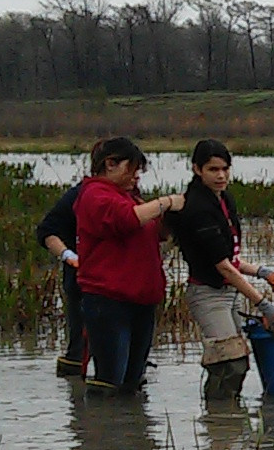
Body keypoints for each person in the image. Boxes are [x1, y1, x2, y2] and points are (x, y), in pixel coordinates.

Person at [164, 139, 274, 400]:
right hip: (208, 294)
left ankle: (227, 423)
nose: (221, 175)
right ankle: (218, 424)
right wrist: (262, 304)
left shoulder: (224, 200)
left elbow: (231, 258)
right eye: (213, 170)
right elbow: (224, 267)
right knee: (228, 364)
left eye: (225, 169)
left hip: (228, 292)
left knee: (238, 362)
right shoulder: (197, 207)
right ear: (196, 169)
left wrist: (264, 272)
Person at [71, 137, 184, 393]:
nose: (136, 176)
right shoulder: (94, 194)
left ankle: (130, 430)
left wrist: (170, 218)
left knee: (133, 381)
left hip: (140, 301)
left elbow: (154, 232)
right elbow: (125, 220)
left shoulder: (130, 198)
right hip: (108, 302)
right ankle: (102, 428)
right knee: (110, 381)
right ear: (110, 164)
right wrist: (165, 202)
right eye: (131, 169)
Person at [35, 170, 89, 377]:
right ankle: (76, 397)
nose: (135, 176)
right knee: (78, 346)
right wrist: (68, 255)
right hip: (80, 281)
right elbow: (46, 231)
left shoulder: (129, 196)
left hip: (117, 285)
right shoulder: (77, 196)